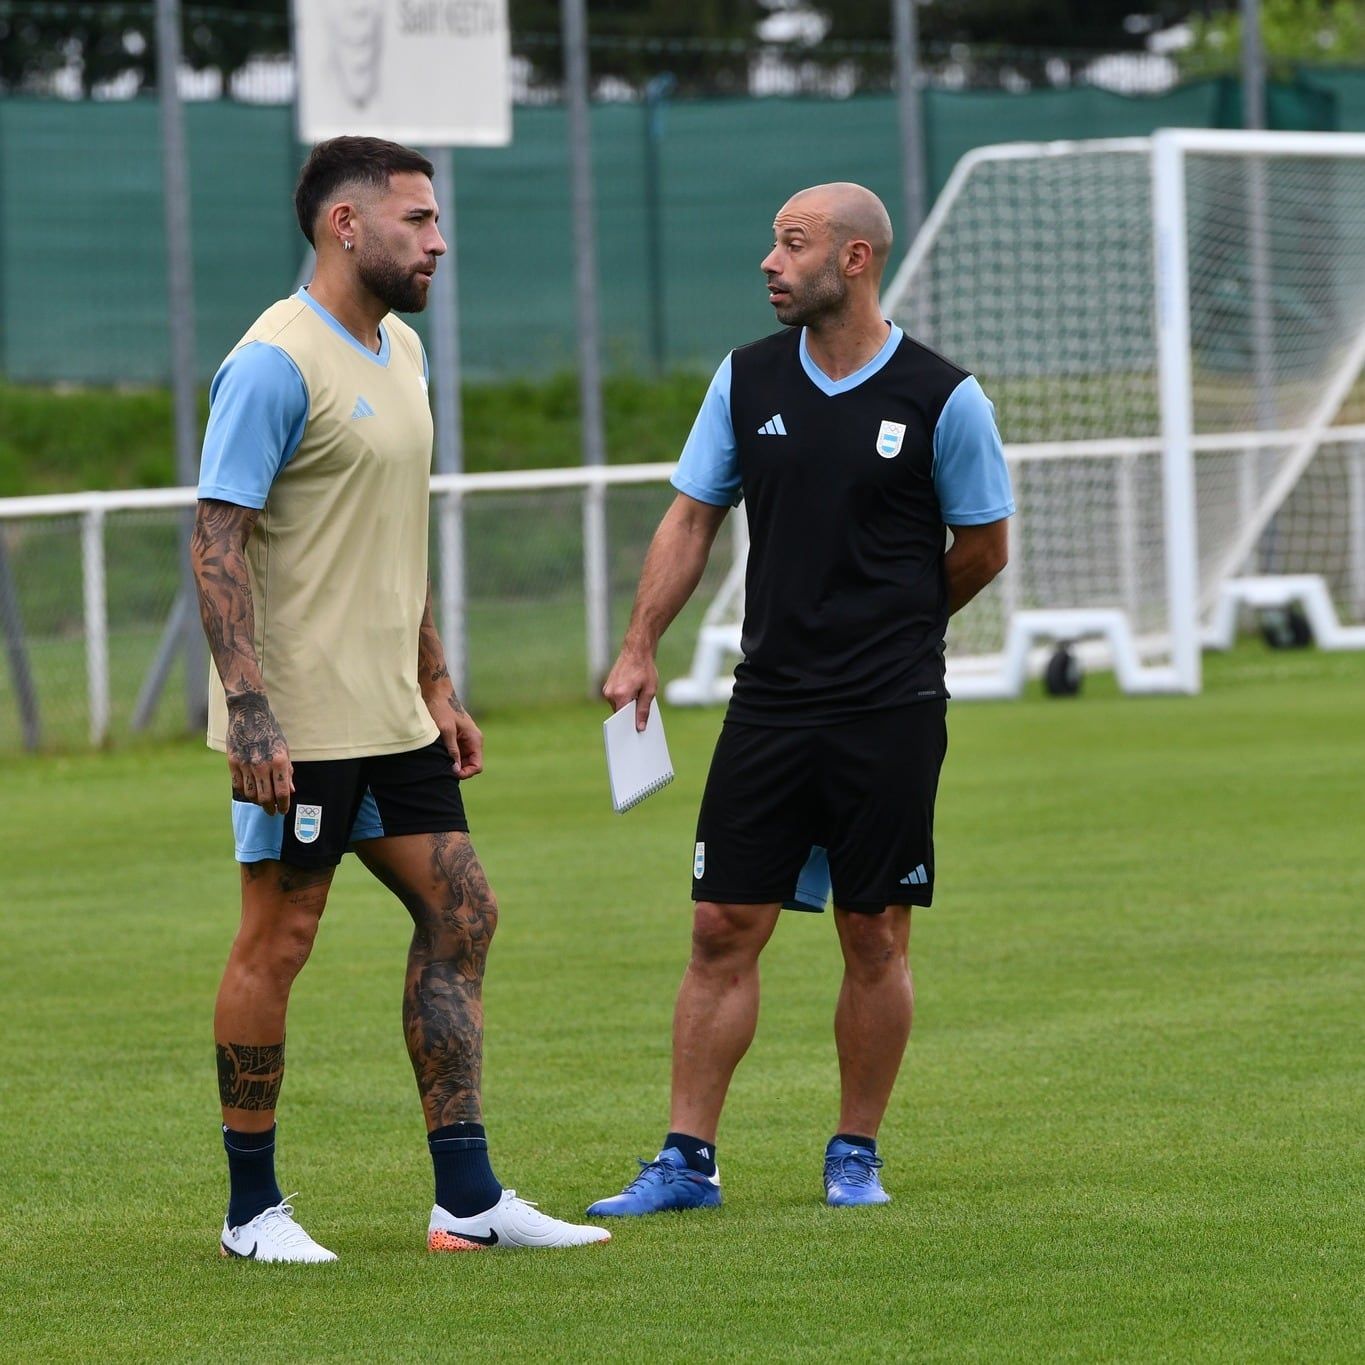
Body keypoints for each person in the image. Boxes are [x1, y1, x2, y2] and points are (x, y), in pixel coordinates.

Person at [192, 136, 608, 1261]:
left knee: (463, 912)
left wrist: (435, 677)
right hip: (301, 723)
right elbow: (216, 538)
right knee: (279, 940)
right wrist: (250, 710)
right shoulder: (274, 362)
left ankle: (466, 1199)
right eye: (417, 219)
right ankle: (251, 1213)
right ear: (345, 225)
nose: (437, 240)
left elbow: (395, 538)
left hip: (394, 711)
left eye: (435, 220)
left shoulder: (404, 350)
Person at [587, 182, 1013, 1216]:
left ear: (855, 259)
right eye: (772, 242)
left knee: (873, 931)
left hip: (890, 710)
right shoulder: (745, 381)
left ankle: (854, 1154)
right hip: (767, 705)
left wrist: (897, 631)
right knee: (721, 924)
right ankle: (686, 1163)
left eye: (793, 243)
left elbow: (984, 547)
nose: (770, 263)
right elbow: (692, 519)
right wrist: (640, 644)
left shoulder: (941, 397)